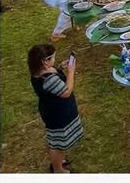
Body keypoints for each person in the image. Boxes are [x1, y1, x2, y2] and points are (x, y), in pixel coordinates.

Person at [28, 43, 83, 174]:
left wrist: (59, 68)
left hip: (56, 111)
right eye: (52, 58)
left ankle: (58, 161)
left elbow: (54, 78)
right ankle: (58, 170)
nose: (54, 59)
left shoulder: (40, 71)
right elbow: (67, 91)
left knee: (57, 141)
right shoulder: (48, 80)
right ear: (44, 62)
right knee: (58, 144)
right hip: (57, 115)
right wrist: (71, 72)